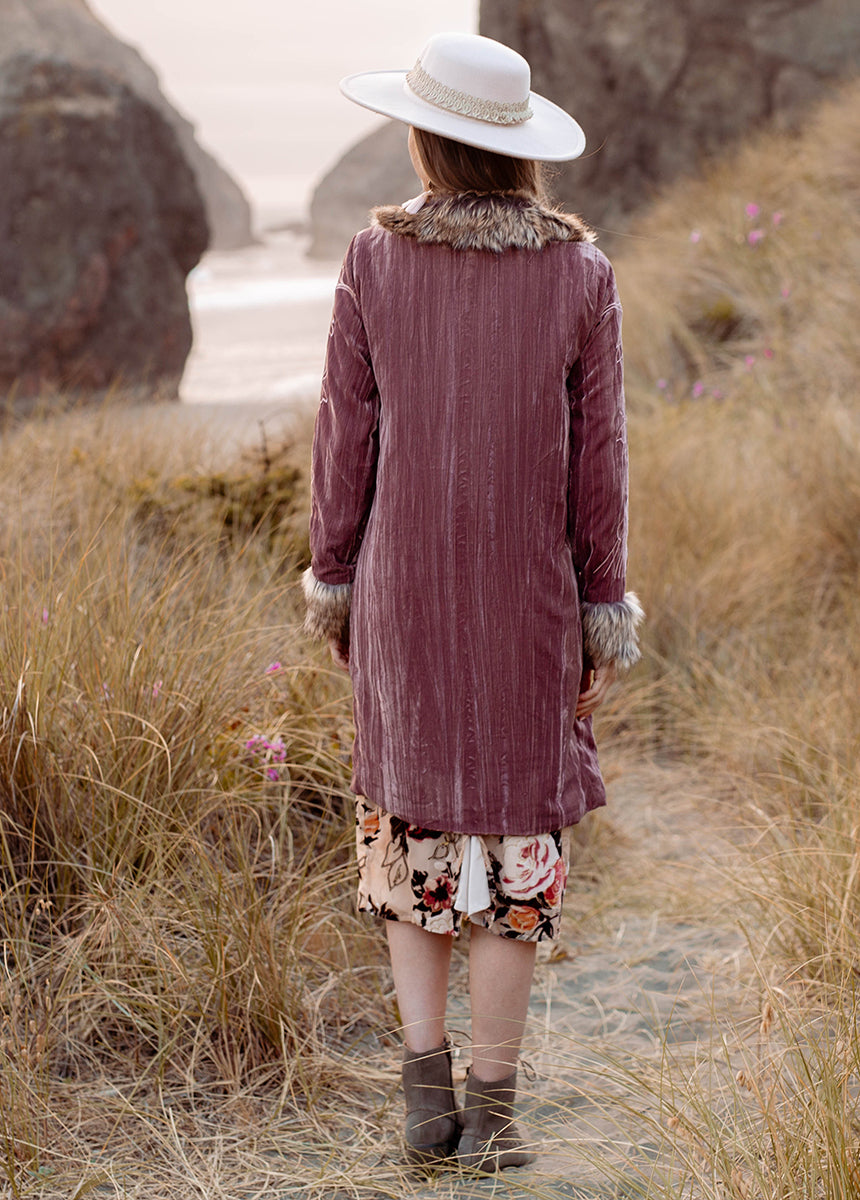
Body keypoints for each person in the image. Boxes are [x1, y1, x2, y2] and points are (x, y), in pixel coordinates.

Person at [302, 31, 643, 1173]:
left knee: (412, 830)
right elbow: (599, 466)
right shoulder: (579, 273)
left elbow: (344, 441)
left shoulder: (373, 259)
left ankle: (423, 1102)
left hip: (401, 595)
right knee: (514, 842)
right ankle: (492, 1116)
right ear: (519, 147)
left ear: (425, 137)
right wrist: (602, 608)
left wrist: (337, 582)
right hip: (529, 601)